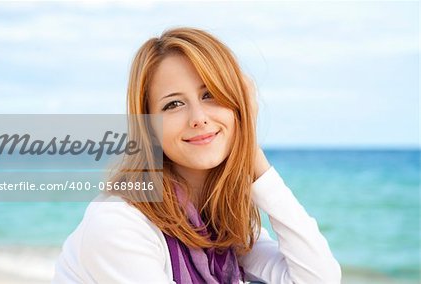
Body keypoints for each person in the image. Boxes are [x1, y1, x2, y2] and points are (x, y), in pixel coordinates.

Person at [52, 27, 342, 284]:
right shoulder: (118, 223)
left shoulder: (217, 217)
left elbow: (318, 278)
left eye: (210, 95)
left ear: (238, 107)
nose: (199, 118)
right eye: (174, 104)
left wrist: (250, 150)